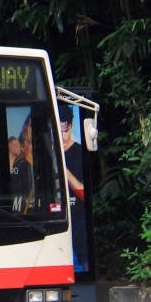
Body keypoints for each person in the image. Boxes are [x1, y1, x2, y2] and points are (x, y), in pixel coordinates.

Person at [60, 104, 87, 271]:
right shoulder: (43, 152)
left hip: (78, 222)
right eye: (56, 130)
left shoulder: (78, 152)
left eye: (65, 130)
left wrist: (63, 169)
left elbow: (84, 192)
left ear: (71, 126)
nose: (61, 137)